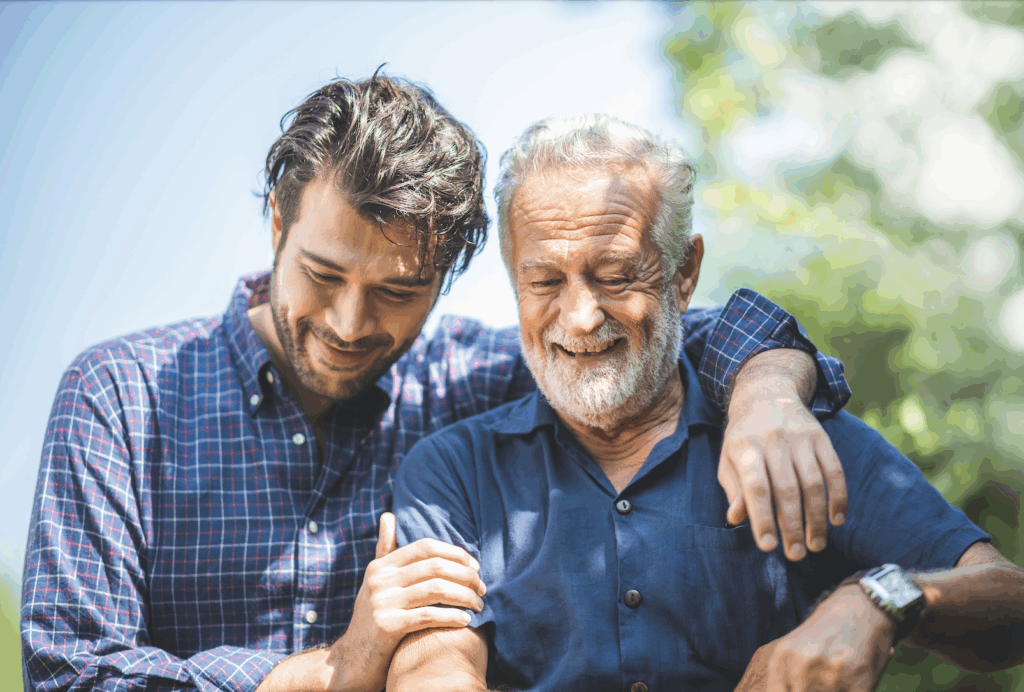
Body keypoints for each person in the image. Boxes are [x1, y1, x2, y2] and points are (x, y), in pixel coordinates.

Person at [21, 76, 852, 692]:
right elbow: (68, 675)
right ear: (277, 223)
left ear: (448, 278)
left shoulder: (469, 377)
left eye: (396, 292)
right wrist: (324, 673)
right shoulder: (119, 398)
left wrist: (768, 390)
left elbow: (650, 335)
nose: (350, 324)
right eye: (321, 274)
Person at [388, 114, 1024, 692]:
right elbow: (432, 670)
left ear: (684, 273)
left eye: (614, 276)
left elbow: (1007, 598)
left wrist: (878, 599)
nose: (580, 318)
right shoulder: (452, 471)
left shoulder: (789, 435)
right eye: (545, 281)